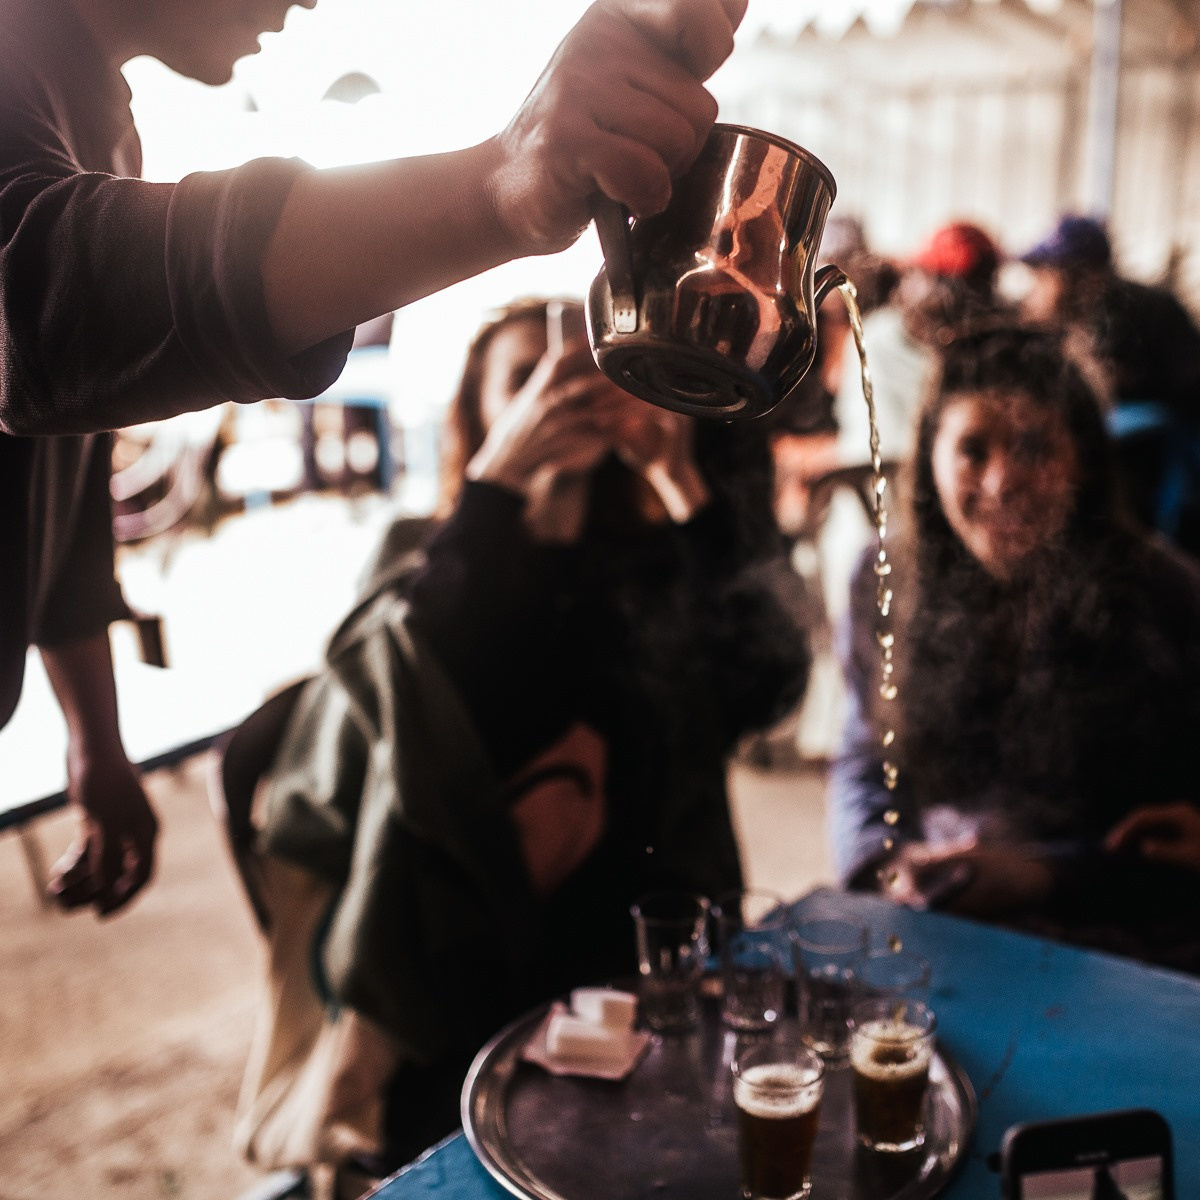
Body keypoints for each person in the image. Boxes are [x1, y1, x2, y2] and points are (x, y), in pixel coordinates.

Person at [0, 0, 746, 914]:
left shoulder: (99, 119)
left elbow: (61, 446)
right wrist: (499, 181)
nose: (310, 0)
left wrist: (93, 734)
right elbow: (31, 302)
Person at [242, 297, 811, 1174]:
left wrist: (678, 477)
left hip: (646, 943)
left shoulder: (654, 561)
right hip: (459, 962)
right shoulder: (425, 552)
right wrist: (504, 477)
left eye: (593, 378)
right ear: (477, 412)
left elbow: (768, 684)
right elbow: (416, 679)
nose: (567, 399)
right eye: (531, 381)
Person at [828, 326, 1200, 970]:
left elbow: (1176, 836)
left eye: (1035, 448)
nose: (1002, 483)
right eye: (973, 450)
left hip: (1119, 944)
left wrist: (1042, 875)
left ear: (1082, 458)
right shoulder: (887, 580)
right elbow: (866, 758)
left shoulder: (1163, 594)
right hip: (939, 917)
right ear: (931, 454)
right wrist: (882, 866)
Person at [1020, 213, 1200, 547]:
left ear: (1084, 278)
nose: (1035, 289)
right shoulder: (1062, 327)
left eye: (1046, 275)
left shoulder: (1133, 316)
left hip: (1158, 482)